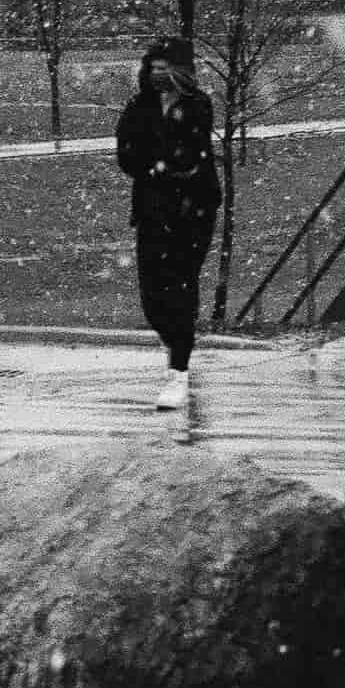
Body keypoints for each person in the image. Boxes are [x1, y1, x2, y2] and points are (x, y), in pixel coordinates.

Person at [114, 34, 218, 412]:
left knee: (181, 286)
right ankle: (174, 340)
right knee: (152, 295)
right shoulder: (138, 107)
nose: (156, 75)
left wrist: (162, 164)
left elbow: (191, 154)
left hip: (194, 211)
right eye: (152, 69)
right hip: (153, 210)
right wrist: (158, 167)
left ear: (179, 72)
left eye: (163, 69)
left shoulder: (197, 105)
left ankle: (179, 371)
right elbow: (127, 155)